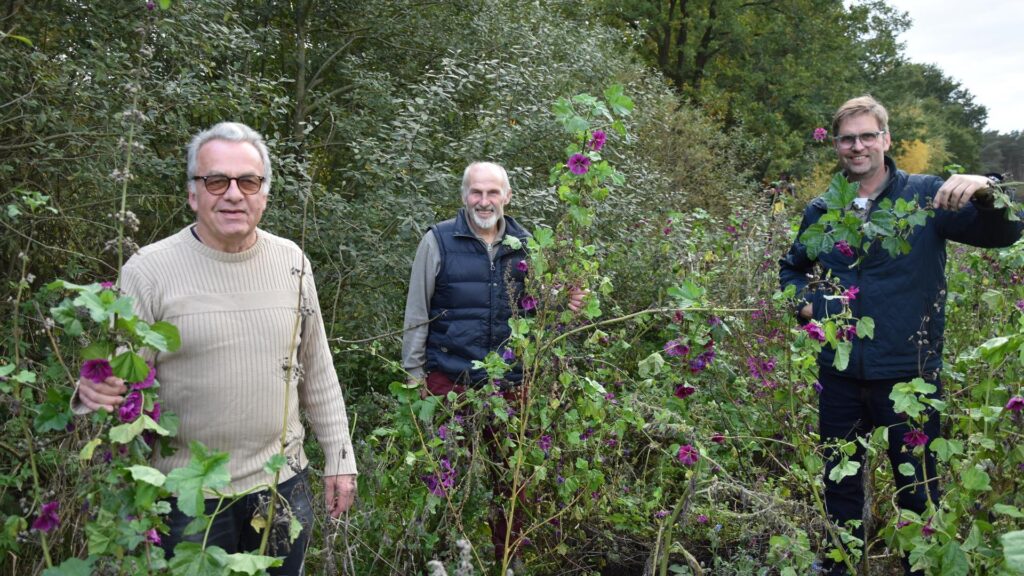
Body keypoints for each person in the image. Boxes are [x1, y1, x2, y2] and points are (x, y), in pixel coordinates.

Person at [73, 122, 358, 575]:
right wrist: (94, 388)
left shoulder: (292, 263)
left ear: (264, 193)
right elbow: (119, 376)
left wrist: (340, 457)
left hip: (281, 486)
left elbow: (317, 369)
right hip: (187, 496)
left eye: (248, 181)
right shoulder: (150, 271)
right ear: (193, 194)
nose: (233, 194)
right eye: (216, 181)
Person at [779, 95, 1023, 575]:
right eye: (848, 138)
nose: (858, 146)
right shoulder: (823, 209)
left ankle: (920, 566)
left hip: (910, 375)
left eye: (868, 135)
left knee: (919, 486)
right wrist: (808, 306)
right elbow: (792, 271)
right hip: (841, 372)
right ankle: (839, 563)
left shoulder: (929, 196)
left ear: (886, 139)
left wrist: (986, 190)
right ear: (836, 146)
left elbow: (1004, 233)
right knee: (839, 480)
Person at [401, 161, 583, 563]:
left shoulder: (526, 244)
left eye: (492, 193)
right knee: (443, 477)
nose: (484, 202)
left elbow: (538, 306)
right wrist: (414, 377)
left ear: (507, 197)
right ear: (464, 196)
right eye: (476, 193)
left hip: (510, 382)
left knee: (512, 480)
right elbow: (417, 312)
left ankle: (508, 560)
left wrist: (563, 301)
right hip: (450, 379)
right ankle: (441, 558)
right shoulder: (438, 241)